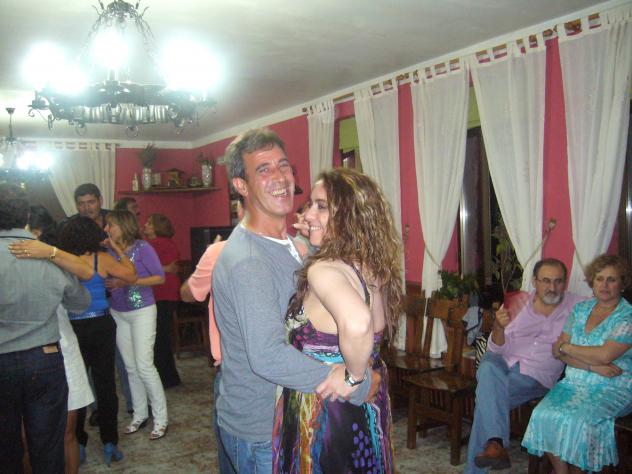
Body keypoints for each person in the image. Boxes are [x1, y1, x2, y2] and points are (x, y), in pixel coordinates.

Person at [212, 128, 372, 473]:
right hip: (262, 429)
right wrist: (353, 382)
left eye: (283, 165)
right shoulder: (249, 261)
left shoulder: (291, 245)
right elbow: (268, 356)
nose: (280, 177)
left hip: (287, 417)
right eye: (263, 169)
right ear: (241, 186)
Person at [272, 168, 402, 473]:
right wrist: (314, 233)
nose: (307, 213)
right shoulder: (371, 266)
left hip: (324, 418)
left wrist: (353, 377)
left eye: (321, 206)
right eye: (309, 205)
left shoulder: (324, 270)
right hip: (363, 410)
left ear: (348, 216)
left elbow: (357, 323)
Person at [0, 183, 91, 474]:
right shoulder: (48, 255)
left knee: (5, 445)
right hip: (45, 357)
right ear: (26, 215)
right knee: (48, 444)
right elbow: (80, 303)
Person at [466, 258, 584, 473]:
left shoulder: (578, 307)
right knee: (488, 367)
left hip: (535, 375)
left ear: (565, 282)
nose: (552, 287)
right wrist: (498, 327)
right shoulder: (519, 303)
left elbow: (608, 308)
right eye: (546, 281)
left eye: (558, 281)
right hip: (501, 362)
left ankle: (494, 446)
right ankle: (495, 444)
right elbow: (495, 349)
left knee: (486, 402)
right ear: (535, 281)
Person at [522, 254, 632, 473]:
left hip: (613, 387)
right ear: (592, 281)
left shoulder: (627, 316)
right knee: (543, 414)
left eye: (611, 279)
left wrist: (568, 348)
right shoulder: (581, 309)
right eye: (599, 279)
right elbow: (557, 351)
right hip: (573, 383)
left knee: (579, 422)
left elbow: (605, 355)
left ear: (622, 284)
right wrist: (591, 366)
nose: (604, 285)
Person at [180, 201, 244, 474]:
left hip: (232, 370)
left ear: (239, 211)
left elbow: (188, 293)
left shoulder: (219, 251)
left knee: (233, 454)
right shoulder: (293, 248)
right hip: (281, 369)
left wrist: (203, 265)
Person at [105, 210, 169, 440]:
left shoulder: (143, 248)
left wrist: (128, 281)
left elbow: (159, 277)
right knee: (130, 367)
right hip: (118, 311)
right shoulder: (108, 251)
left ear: (123, 226)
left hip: (142, 310)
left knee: (144, 366)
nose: (106, 229)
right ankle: (140, 414)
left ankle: (161, 418)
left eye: (110, 225)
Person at [144, 213, 182, 388]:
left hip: (160, 293)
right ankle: (169, 376)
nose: (145, 225)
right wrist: (165, 268)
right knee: (162, 336)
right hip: (168, 293)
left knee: (159, 338)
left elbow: (144, 266)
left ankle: (166, 377)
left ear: (157, 227)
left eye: (149, 223)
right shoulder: (168, 243)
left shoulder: (155, 244)